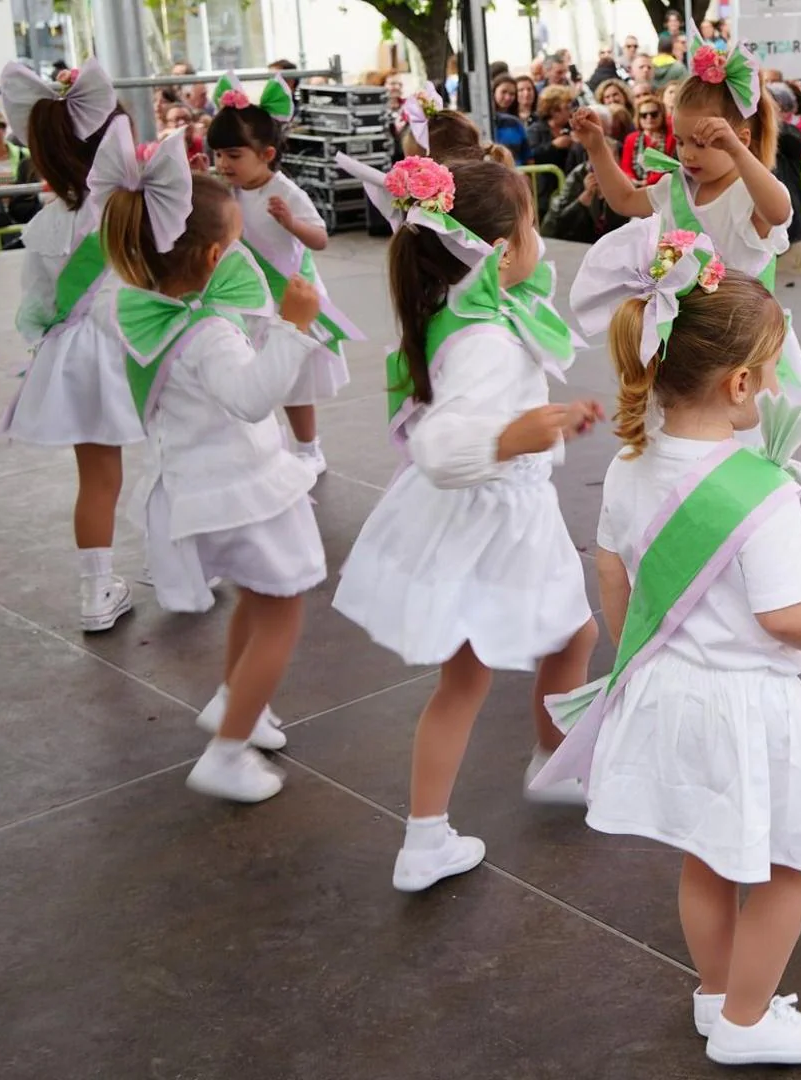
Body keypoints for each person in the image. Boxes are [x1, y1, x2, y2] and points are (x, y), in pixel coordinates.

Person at [542, 220, 801, 1069]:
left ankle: (716, 994)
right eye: (768, 375)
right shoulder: (760, 491)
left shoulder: (629, 464)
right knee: (789, 863)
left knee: (706, 857)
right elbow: (790, 618)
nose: (771, 390)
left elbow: (613, 577)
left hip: (669, 692)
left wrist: (638, 659)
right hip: (745, 705)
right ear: (737, 384)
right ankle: (748, 1019)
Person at [332, 158, 603, 887]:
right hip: (497, 516)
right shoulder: (485, 335)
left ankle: (536, 768)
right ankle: (448, 824)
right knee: (497, 661)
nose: (538, 239)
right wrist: (511, 438)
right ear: (504, 250)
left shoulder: (460, 303)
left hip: (494, 510)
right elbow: (440, 445)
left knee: (553, 638)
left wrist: (538, 425)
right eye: (532, 225)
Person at [92, 118, 327, 798]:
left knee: (258, 600)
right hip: (240, 490)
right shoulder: (208, 333)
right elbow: (253, 399)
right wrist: (293, 328)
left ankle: (234, 703)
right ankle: (225, 754)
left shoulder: (145, 309)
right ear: (211, 259)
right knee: (282, 610)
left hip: (200, 484)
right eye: (232, 243)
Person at [579, 40, 801, 438]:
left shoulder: (750, 191)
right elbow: (623, 199)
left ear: (739, 137)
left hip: (745, 342)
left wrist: (740, 155)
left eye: (704, 143)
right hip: (688, 339)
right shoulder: (676, 187)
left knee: (747, 439)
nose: (688, 153)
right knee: (684, 436)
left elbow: (780, 210)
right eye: (683, 140)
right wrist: (596, 148)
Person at [0, 62, 141, 630]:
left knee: (98, 478)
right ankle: (193, 566)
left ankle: (96, 591)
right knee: (181, 455)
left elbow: (34, 305)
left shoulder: (45, 224)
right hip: (139, 345)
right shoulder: (131, 210)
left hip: (74, 357)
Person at [207, 73, 359, 475]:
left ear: (267, 153)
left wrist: (292, 223)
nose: (224, 164)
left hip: (286, 298)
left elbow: (321, 239)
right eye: (218, 155)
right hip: (244, 299)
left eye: (234, 155)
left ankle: (308, 448)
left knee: (294, 381)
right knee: (248, 375)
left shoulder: (287, 192)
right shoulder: (228, 189)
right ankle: (259, 448)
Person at [491, 75, 530, 162]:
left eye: (512, 94)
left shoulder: (516, 123)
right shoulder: (488, 120)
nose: (508, 97)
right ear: (494, 91)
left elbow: (527, 154)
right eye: (503, 92)